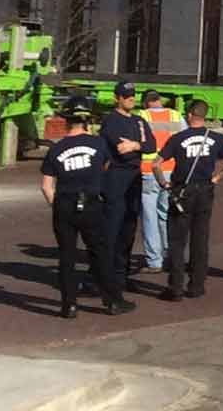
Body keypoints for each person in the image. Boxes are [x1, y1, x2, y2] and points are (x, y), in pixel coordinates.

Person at [39, 96, 135, 318]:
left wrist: (59, 206)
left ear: (66, 120)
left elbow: (46, 187)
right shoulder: (98, 143)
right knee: (100, 253)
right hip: (91, 203)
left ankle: (68, 305)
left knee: (67, 255)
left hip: (64, 204)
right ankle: (112, 302)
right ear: (87, 121)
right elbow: (105, 166)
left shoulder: (56, 149)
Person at [154, 99, 223, 301]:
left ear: (191, 115)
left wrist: (164, 184)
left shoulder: (178, 138)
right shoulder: (216, 138)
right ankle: (196, 285)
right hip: (204, 190)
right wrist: (217, 178)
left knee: (177, 241)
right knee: (200, 239)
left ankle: (175, 287)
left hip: (182, 191)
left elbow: (156, 164)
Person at [98, 80, 157, 284]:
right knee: (111, 226)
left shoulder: (139, 121)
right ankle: (103, 274)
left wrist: (135, 145)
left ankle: (121, 273)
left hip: (134, 176)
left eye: (133, 95)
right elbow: (120, 148)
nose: (131, 99)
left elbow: (151, 145)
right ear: (117, 98)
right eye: (126, 96)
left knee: (129, 225)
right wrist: (135, 146)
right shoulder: (111, 121)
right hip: (115, 176)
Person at [135, 90, 186, 274]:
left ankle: (154, 261)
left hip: (148, 171)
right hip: (172, 171)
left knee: (149, 217)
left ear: (145, 103)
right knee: (166, 214)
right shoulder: (175, 115)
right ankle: (170, 255)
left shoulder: (142, 116)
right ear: (159, 101)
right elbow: (185, 140)